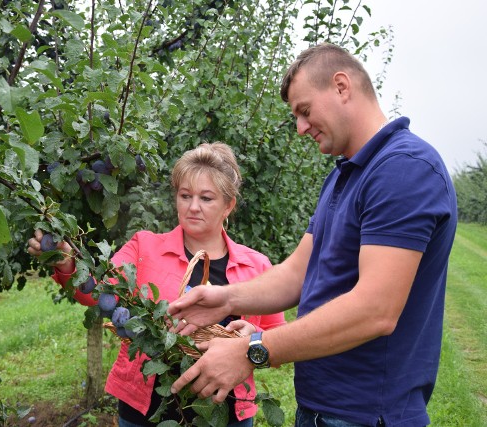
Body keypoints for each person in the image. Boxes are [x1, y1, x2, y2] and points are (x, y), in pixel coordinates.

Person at [167, 43, 458, 427]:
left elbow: (376, 311)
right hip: (324, 408)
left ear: (341, 86)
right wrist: (224, 298)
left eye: (304, 111)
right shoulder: (344, 175)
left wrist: (253, 350)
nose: (301, 127)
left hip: (367, 414)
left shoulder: (403, 170)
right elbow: (298, 273)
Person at [28, 142, 286, 427]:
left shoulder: (257, 266)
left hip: (225, 414)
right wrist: (66, 262)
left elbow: (277, 342)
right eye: (185, 195)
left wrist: (255, 339)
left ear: (229, 205)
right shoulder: (144, 248)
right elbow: (98, 293)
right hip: (144, 411)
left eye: (207, 198)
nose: (193, 207)